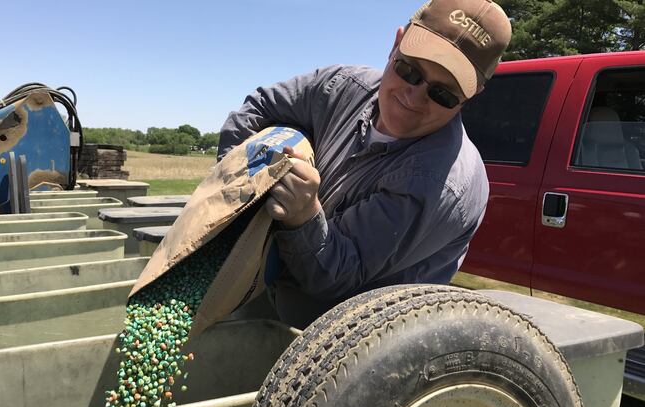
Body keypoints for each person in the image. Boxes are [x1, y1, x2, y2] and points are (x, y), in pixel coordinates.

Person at [217, 0, 512, 329]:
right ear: (395, 44)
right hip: (270, 296)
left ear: (472, 95)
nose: (413, 98)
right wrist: (236, 203)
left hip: (354, 350)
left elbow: (335, 278)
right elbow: (256, 110)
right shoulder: (342, 86)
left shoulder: (439, 183)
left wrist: (304, 217)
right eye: (409, 71)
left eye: (442, 94)